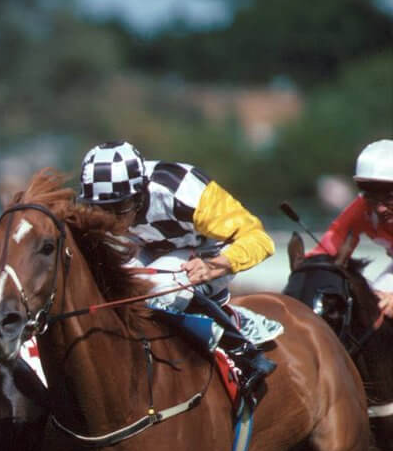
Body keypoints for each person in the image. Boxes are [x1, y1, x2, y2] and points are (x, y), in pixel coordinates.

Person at [78, 140, 277, 399]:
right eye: (101, 210)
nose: (110, 220)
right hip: (152, 244)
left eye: (119, 209)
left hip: (207, 251)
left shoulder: (186, 191)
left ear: (141, 194)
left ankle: (242, 349)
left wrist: (214, 266)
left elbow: (260, 239)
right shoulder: (99, 195)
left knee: (160, 289)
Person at [308, 139, 393, 318]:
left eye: (389, 198)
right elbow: (326, 249)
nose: (379, 209)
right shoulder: (362, 208)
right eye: (372, 198)